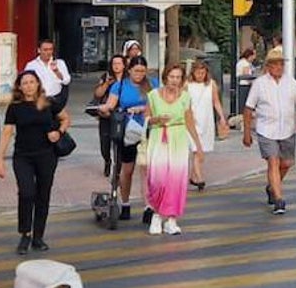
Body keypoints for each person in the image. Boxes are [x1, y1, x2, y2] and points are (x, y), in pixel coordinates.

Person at [0, 70, 70, 255]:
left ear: (38, 84)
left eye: (31, 82)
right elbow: (7, 132)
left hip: (46, 155)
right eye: (24, 83)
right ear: (19, 87)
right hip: (23, 156)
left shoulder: (48, 103)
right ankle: (25, 234)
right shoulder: (15, 107)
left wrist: (59, 132)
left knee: (43, 195)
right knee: (27, 193)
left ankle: (38, 237)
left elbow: (66, 118)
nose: (28, 85)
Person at [243, 46, 296, 214]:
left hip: (287, 129)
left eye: (281, 64)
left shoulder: (290, 82)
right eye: (275, 64)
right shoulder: (259, 84)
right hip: (266, 129)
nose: (279, 67)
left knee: (286, 163)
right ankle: (279, 199)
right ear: (268, 67)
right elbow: (248, 109)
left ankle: (272, 186)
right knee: (273, 161)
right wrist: (246, 133)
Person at [144, 64, 202, 235]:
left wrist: (197, 145)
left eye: (178, 77)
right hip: (158, 137)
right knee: (158, 179)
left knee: (176, 180)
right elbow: (146, 117)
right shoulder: (153, 95)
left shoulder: (185, 97)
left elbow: (189, 120)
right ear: (165, 78)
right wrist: (156, 119)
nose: (174, 81)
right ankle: (156, 214)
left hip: (178, 138)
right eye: (172, 77)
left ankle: (171, 219)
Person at [96, 55, 155, 221]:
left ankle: (148, 206)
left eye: (142, 71)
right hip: (127, 131)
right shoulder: (120, 85)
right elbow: (111, 104)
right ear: (129, 70)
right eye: (136, 71)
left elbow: (159, 103)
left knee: (146, 170)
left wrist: (143, 108)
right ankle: (125, 203)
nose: (139, 74)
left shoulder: (153, 84)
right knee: (126, 170)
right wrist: (103, 109)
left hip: (147, 130)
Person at [187, 59, 228, 191]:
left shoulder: (211, 85)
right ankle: (199, 178)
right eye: (198, 73)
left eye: (202, 73)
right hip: (192, 119)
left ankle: (193, 176)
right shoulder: (187, 85)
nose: (200, 75)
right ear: (193, 73)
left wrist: (222, 117)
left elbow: (215, 101)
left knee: (201, 149)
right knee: (196, 149)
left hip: (206, 120)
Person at [92, 54, 127, 176]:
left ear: (124, 65)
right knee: (105, 144)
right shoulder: (106, 77)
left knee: (119, 144)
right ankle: (107, 160)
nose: (116, 66)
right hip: (106, 115)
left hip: (121, 116)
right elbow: (97, 94)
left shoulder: (128, 79)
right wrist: (106, 83)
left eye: (119, 63)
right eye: (114, 63)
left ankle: (117, 170)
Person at [24, 39, 71, 114]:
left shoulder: (60, 63)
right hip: (38, 99)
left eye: (50, 49)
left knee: (63, 120)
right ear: (39, 50)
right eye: (45, 50)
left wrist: (57, 71)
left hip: (56, 99)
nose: (48, 52)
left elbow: (66, 81)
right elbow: (25, 82)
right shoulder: (31, 65)